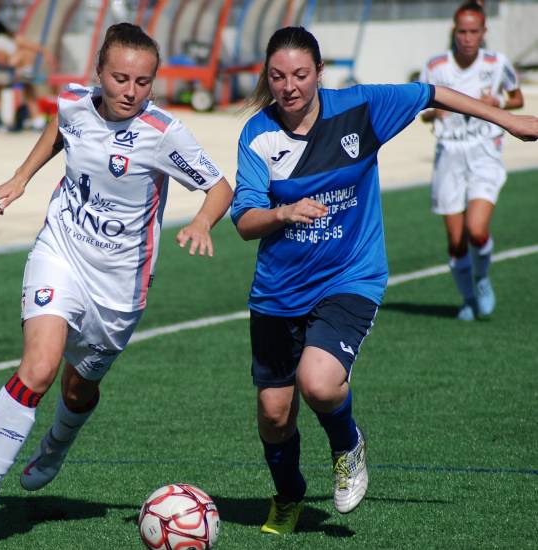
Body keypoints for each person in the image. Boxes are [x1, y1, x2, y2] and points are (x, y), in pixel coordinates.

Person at [230, 26, 536, 536]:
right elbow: (244, 222)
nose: (289, 87)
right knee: (273, 414)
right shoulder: (257, 135)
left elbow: (433, 92)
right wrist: (283, 214)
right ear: (267, 76)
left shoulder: (361, 108)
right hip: (279, 290)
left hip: (351, 275)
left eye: (301, 75)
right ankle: (288, 497)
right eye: (278, 76)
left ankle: (347, 445)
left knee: (320, 383)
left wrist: (509, 120)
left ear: (319, 73)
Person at [0, 22, 233, 536]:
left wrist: (201, 220)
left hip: (120, 286)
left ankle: (57, 444)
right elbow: (59, 131)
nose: (131, 91)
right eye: (121, 78)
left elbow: (219, 186)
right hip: (60, 251)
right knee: (37, 368)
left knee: (79, 387)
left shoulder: (163, 133)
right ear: (99, 74)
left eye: (143, 81)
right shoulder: (73, 102)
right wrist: (20, 179)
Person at [419, 2, 523, 321]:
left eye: (473, 31)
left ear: (483, 32)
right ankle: (467, 300)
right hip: (449, 154)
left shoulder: (496, 63)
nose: (467, 38)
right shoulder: (436, 66)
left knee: (477, 231)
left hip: (485, 153)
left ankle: (482, 279)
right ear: (454, 32)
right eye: (462, 32)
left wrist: (500, 101)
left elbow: (516, 97)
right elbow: (421, 111)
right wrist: (433, 112)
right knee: (455, 241)